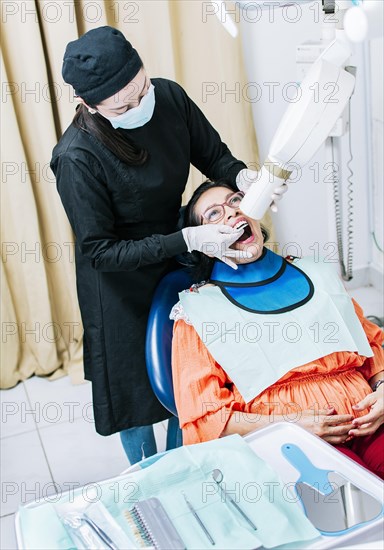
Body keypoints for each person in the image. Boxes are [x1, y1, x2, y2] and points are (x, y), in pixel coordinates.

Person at [50, 26, 285, 464]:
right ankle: (149, 477)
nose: (140, 106)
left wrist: (246, 180)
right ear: (88, 105)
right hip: (119, 283)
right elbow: (99, 251)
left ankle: (186, 466)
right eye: (124, 105)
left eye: (141, 89)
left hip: (176, 256)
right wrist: (191, 236)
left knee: (187, 375)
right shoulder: (77, 157)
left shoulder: (169, 98)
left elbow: (214, 156)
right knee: (136, 395)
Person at [171, 180, 384, 479]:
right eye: (214, 214)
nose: (232, 214)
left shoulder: (318, 274)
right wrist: (291, 425)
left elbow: (371, 348)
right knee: (361, 500)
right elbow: (207, 418)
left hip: (370, 419)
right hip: (294, 440)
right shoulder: (197, 314)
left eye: (236, 202)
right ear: (201, 242)